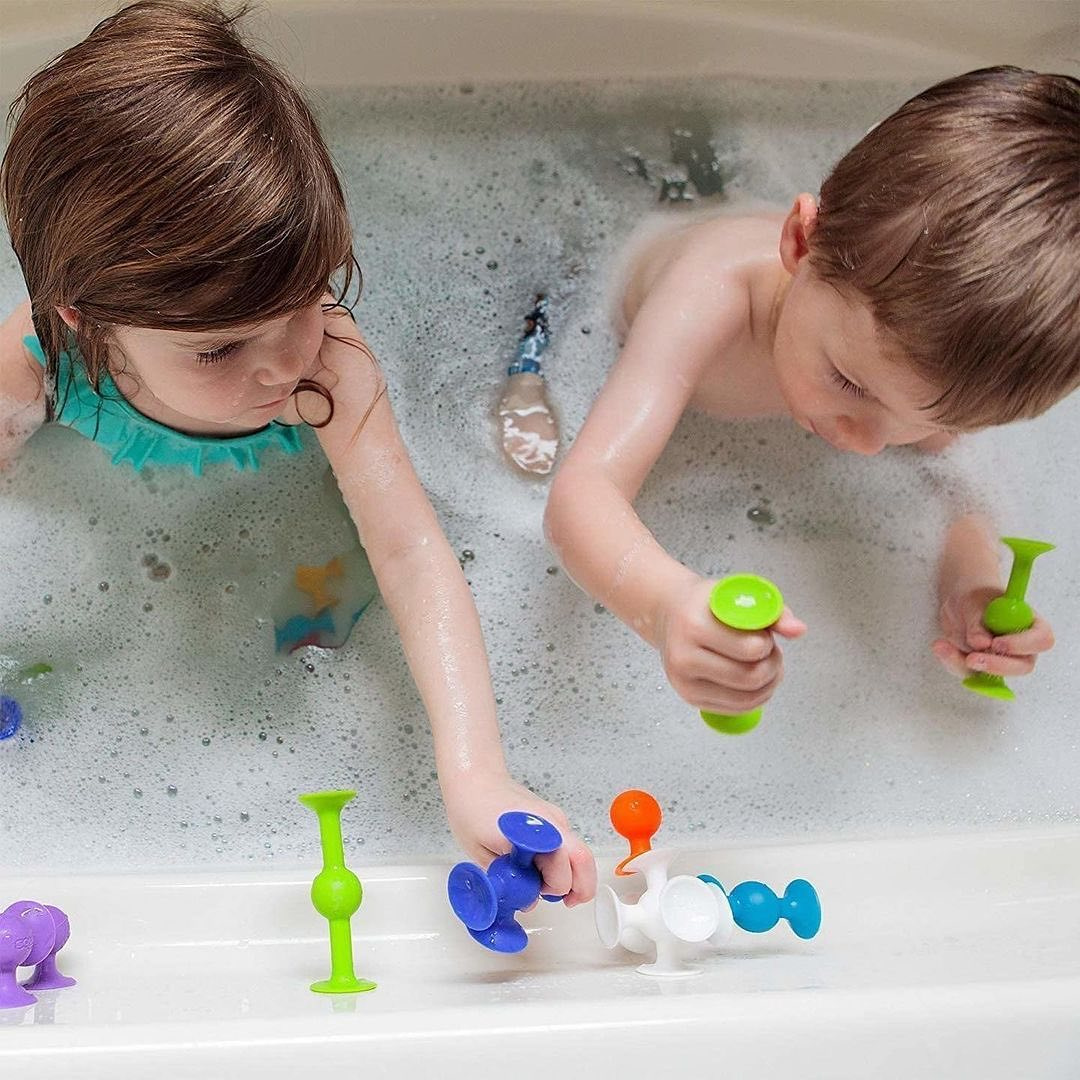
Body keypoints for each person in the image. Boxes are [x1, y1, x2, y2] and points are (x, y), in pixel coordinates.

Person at [0, 0, 595, 906]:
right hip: (131, 577)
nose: (284, 365)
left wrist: (476, 772)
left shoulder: (333, 367)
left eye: (308, 297)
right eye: (220, 350)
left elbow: (409, 551)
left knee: (320, 625)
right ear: (82, 317)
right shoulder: (35, 364)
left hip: (291, 540)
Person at [545, 67, 1077, 719]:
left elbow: (960, 486)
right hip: (585, 277)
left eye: (915, 421)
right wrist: (663, 604)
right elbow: (581, 494)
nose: (867, 443)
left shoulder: (922, 353)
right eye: (848, 383)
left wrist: (972, 585)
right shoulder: (708, 300)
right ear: (801, 243)